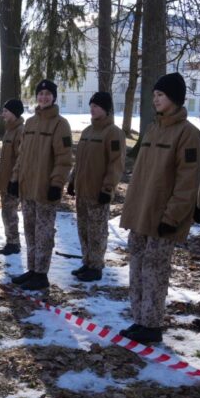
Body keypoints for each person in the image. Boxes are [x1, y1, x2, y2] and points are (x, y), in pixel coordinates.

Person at [118, 73, 200, 344]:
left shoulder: (189, 135)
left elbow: (187, 182)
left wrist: (173, 216)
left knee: (154, 271)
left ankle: (152, 324)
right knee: (137, 268)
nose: (155, 99)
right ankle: (139, 319)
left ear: (175, 99)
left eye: (161, 95)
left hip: (163, 217)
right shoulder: (154, 129)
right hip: (140, 213)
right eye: (154, 95)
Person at [10, 79, 73, 290]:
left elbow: (64, 158)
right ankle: (32, 269)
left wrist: (57, 183)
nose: (44, 97)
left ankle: (41, 273)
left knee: (44, 232)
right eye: (41, 93)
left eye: (48, 93)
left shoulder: (60, 124)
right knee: (29, 230)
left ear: (54, 97)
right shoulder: (30, 122)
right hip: (27, 188)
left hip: (46, 189)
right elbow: (22, 155)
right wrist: (15, 178)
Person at [66, 92, 126, 282]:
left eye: (97, 106)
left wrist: (107, 189)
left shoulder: (113, 132)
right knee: (83, 228)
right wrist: (73, 180)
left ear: (106, 109)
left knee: (97, 231)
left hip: (98, 192)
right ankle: (87, 262)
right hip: (82, 191)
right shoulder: (87, 132)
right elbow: (80, 161)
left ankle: (96, 266)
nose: (93, 109)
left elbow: (116, 164)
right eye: (91, 105)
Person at [0, 98, 25, 255]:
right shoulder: (10, 129)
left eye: (5, 111)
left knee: (10, 213)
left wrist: (14, 179)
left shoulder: (20, 131)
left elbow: (20, 158)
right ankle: (11, 240)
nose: (2, 114)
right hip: (5, 179)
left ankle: (13, 243)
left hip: (12, 181)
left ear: (14, 112)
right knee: (6, 212)